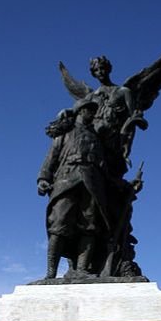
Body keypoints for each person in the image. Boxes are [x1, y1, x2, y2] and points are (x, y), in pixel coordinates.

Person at [37, 100, 110, 279]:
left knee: (89, 226)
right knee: (59, 224)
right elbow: (52, 157)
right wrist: (43, 178)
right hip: (66, 179)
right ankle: (50, 273)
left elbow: (104, 168)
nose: (92, 115)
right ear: (80, 111)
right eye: (88, 111)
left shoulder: (96, 138)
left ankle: (82, 270)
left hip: (91, 183)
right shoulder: (65, 133)